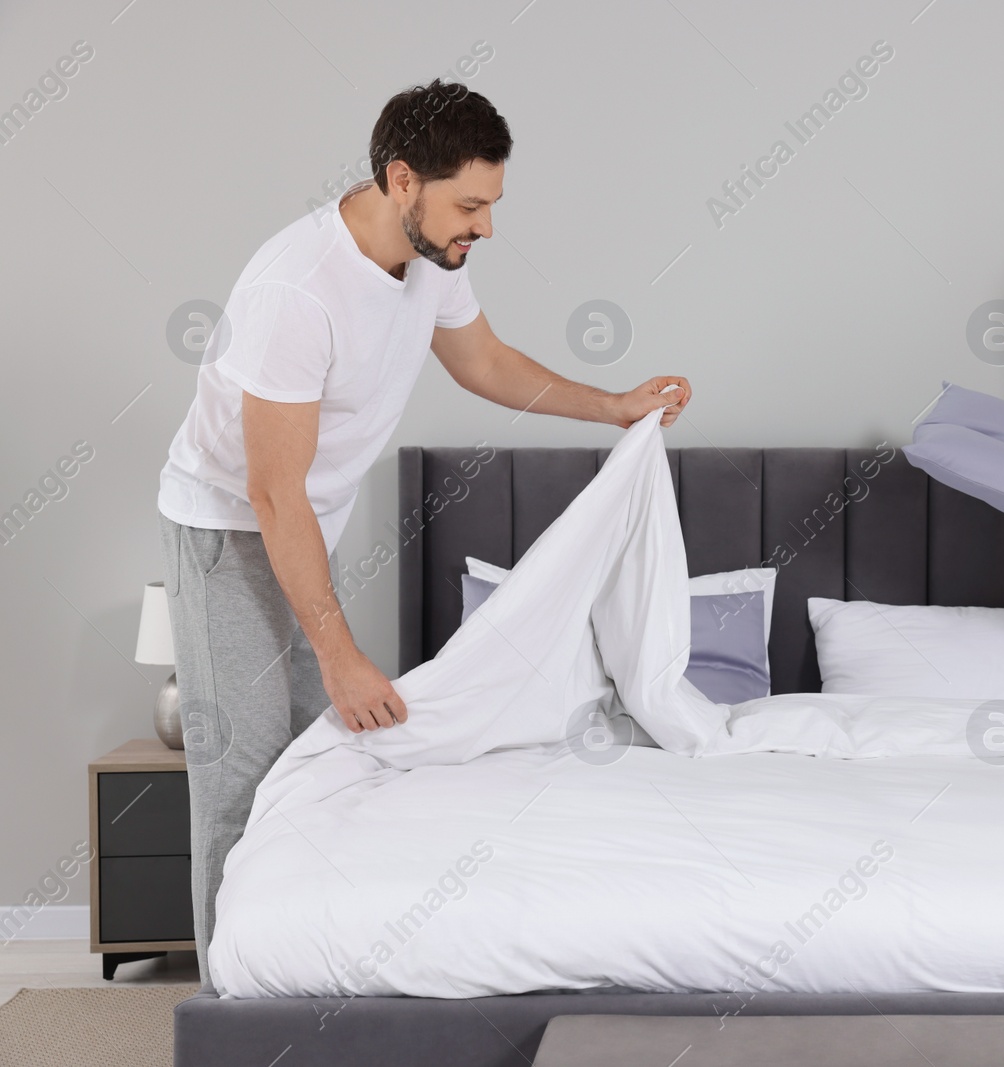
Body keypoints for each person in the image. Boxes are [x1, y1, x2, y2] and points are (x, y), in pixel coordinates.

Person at [156, 78, 691, 989]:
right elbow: (272, 494)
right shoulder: (297, 289)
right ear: (403, 180)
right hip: (232, 530)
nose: (483, 227)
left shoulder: (432, 259)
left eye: (491, 204)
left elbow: (481, 360)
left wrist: (612, 407)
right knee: (243, 777)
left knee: (306, 767)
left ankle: (295, 988)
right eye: (470, 205)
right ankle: (227, 1008)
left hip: (299, 526)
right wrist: (338, 652)